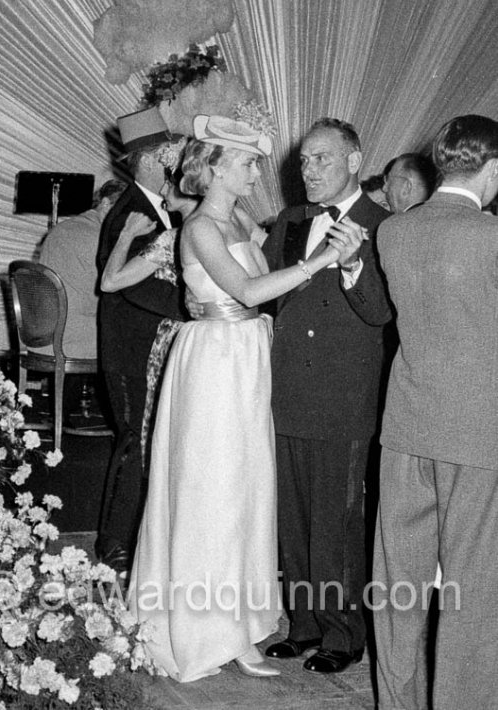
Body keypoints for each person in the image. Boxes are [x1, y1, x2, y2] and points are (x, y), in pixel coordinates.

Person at [128, 115, 367, 683]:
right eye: (246, 161)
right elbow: (250, 290)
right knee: (213, 489)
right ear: (214, 167)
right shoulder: (200, 228)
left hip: (247, 356)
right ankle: (204, 630)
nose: (258, 169)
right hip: (215, 362)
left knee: (248, 491)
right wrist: (322, 261)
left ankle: (240, 628)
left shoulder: (238, 216)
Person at [372, 114, 498, 710]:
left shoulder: (393, 232)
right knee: (472, 590)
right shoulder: (490, 236)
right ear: (492, 169)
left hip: (404, 427)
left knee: (399, 582)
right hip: (477, 432)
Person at [263, 117, 392, 674]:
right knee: (290, 517)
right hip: (287, 391)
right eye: (304, 161)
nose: (308, 170)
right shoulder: (291, 221)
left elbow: (382, 313)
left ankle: (344, 634)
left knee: (337, 523)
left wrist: (354, 264)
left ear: (355, 161)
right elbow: (265, 294)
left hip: (343, 398)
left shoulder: (385, 227)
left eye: (321, 159)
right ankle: (304, 625)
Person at [95, 107, 187, 574]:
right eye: (170, 149)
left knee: (138, 439)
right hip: (132, 351)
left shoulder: (145, 205)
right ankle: (116, 545)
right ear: (152, 158)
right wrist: (193, 305)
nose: (176, 156)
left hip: (134, 348)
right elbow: (133, 284)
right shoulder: (135, 209)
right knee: (135, 441)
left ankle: (121, 539)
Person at [100, 161, 198, 467]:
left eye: (173, 181)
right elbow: (112, 283)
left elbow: (111, 281)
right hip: (144, 347)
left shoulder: (182, 230)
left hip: (181, 343)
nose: (166, 186)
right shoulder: (157, 222)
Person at [38, 179, 126, 417]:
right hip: (73, 339)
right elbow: (108, 292)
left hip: (44, 334)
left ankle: (62, 414)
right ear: (106, 204)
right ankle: (126, 422)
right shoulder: (100, 238)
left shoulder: (61, 229)